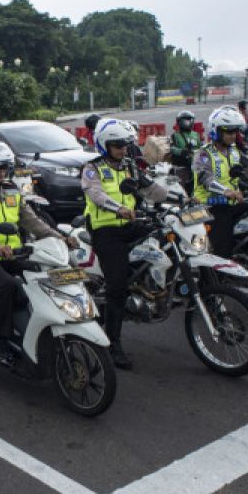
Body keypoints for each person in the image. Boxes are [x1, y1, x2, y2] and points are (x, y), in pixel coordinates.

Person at [0, 140, 75, 367]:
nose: (1, 172)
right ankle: (2, 343)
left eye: (4, 167)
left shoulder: (12, 190)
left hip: (15, 256)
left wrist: (58, 237)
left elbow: (31, 220)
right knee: (8, 286)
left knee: (48, 275)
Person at [81, 119, 166, 370]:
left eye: (125, 145)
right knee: (117, 286)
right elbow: (95, 194)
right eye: (117, 145)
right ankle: (113, 343)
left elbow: (150, 189)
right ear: (104, 145)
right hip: (105, 231)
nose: (123, 150)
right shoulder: (92, 168)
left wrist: (180, 198)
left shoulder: (129, 166)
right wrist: (117, 209)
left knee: (164, 234)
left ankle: (148, 285)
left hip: (129, 225)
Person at [193, 106, 248, 257]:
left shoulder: (234, 151)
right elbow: (205, 178)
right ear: (216, 131)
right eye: (228, 132)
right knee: (223, 246)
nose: (233, 136)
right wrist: (226, 191)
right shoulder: (203, 154)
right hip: (210, 207)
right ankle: (221, 277)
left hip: (232, 204)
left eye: (235, 132)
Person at [168, 110, 200, 176]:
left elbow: (201, 147)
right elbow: (171, 148)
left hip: (197, 163)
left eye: (191, 121)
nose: (189, 123)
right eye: (187, 121)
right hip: (183, 164)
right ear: (180, 122)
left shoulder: (196, 134)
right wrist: (182, 152)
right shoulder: (175, 135)